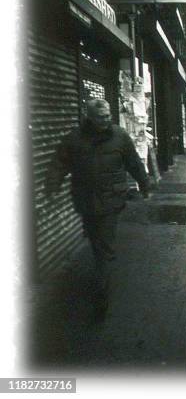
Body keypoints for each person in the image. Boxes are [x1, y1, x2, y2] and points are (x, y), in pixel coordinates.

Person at [45, 98, 149, 320]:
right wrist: (52, 185)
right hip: (85, 201)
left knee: (104, 246)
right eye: (101, 117)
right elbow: (59, 163)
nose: (106, 120)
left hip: (111, 200)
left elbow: (133, 162)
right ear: (89, 118)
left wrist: (145, 183)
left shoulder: (120, 136)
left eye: (108, 115)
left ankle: (101, 295)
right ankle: (102, 265)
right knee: (95, 239)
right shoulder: (74, 139)